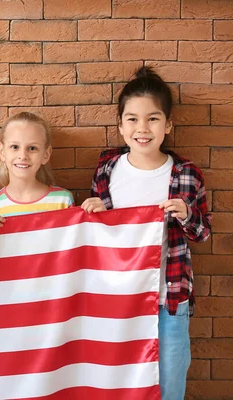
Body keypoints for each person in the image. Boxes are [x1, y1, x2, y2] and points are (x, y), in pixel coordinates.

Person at [81, 67, 211, 400]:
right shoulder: (108, 168)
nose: (142, 128)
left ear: (168, 125)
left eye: (153, 119)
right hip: (118, 295)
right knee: (118, 379)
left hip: (169, 297)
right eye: (133, 119)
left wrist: (186, 215)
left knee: (168, 379)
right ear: (120, 125)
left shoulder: (185, 174)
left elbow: (202, 233)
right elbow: (96, 235)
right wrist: (93, 212)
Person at [0, 111, 73, 234]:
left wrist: (98, 216)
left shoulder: (63, 201)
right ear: (2, 151)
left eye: (32, 148)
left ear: (46, 154)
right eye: (15, 147)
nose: (23, 156)